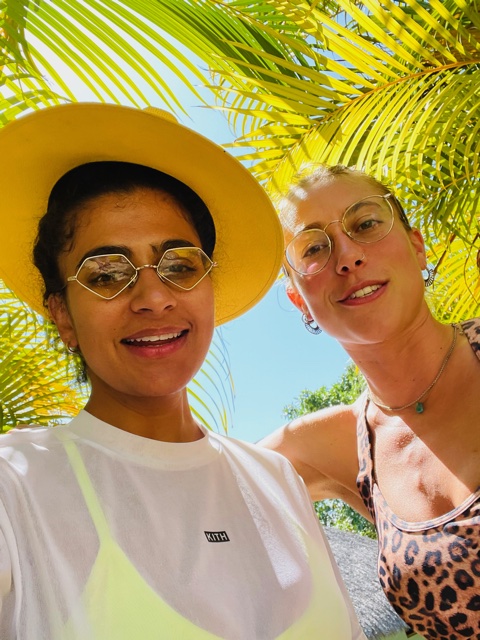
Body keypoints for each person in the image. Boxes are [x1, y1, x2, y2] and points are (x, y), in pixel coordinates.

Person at [0, 105, 365, 640]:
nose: (153, 297)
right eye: (106, 274)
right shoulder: (16, 486)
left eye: (179, 265)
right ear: (63, 316)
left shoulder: (277, 481)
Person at [261, 164, 480, 640]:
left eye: (365, 224)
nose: (347, 257)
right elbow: (182, 495)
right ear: (298, 300)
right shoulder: (326, 447)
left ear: (416, 245)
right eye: (313, 248)